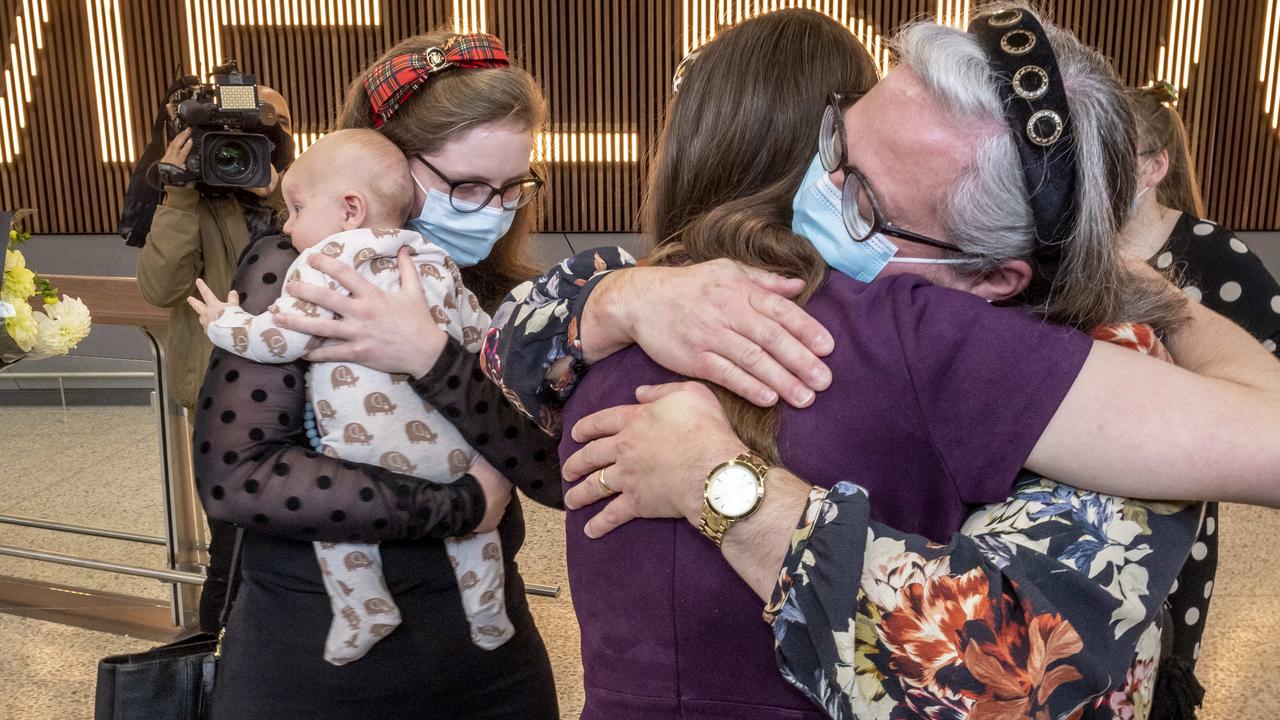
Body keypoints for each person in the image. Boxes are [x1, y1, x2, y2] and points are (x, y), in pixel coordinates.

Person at [484, 6, 1280, 718]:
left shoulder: (1000, 347)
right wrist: (619, 299)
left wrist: (726, 487)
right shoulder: (676, 292)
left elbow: (1016, 679)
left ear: (993, 276)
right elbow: (508, 344)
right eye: (834, 139)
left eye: (862, 201)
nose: (818, 188)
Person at [191, 30, 562, 719]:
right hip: (314, 662)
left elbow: (558, 471)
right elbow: (236, 476)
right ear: (385, 162)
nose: (495, 210)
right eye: (468, 186)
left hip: (490, 663)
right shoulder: (301, 266)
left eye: (514, 187)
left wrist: (430, 357)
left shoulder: (502, 289)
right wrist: (460, 507)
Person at [189, 128, 515, 666]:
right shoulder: (431, 257)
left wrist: (225, 323)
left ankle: (365, 609)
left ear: (349, 210)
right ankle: (487, 612)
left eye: (295, 208)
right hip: (453, 450)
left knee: (342, 536)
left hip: (367, 453)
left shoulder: (325, 262)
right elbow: (484, 339)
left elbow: (280, 337)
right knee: (477, 542)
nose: (287, 224)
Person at [1123, 78, 1280, 710]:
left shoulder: (1214, 254)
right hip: (1067, 508)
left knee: (1161, 671)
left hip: (1175, 514)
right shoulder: (1059, 247)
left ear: (1155, 166)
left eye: (1116, 159)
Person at [135, 85, 292, 633]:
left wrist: (281, 198)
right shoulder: (190, 202)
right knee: (232, 545)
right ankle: (215, 657)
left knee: (300, 534)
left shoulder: (303, 198)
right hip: (223, 397)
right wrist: (176, 196)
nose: (244, 147)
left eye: (266, 132)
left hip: (305, 390)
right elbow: (161, 288)